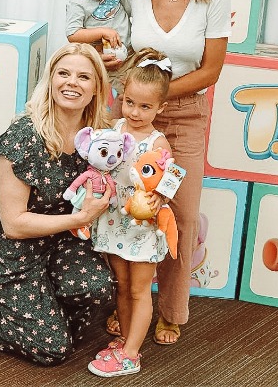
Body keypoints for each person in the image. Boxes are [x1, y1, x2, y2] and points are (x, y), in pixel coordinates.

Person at [0, 43, 115, 366]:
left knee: (97, 289)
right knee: (52, 349)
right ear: (50, 79)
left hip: (64, 241)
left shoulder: (100, 137)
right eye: (63, 73)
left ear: (97, 86)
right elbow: (13, 224)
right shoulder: (23, 136)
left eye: (83, 76)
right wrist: (81, 217)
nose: (72, 83)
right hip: (16, 246)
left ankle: (38, 315)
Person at [108, 0, 232, 345]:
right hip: (133, 116)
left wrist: (158, 96)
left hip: (184, 117)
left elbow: (211, 70)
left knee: (177, 214)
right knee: (124, 210)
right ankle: (124, 303)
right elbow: (116, 48)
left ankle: (171, 312)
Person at [88, 48, 173, 377]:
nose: (136, 112)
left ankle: (131, 354)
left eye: (146, 106)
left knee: (139, 288)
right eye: (131, 102)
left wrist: (160, 200)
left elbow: (172, 179)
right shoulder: (114, 127)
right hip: (113, 220)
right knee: (121, 285)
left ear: (160, 107)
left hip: (141, 225)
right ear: (122, 98)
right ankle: (124, 339)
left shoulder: (157, 143)